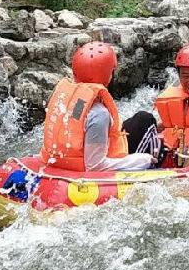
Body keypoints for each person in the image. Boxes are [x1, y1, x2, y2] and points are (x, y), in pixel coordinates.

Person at [40, 41, 154, 172]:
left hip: (62, 163)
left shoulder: (70, 103)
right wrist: (143, 159)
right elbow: (95, 166)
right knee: (146, 122)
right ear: (108, 75)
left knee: (142, 119)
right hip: (86, 175)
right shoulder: (99, 114)